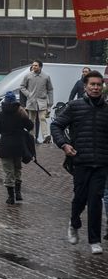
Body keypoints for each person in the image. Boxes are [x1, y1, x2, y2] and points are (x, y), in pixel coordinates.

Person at [50, 70, 108, 254]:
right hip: (80, 161)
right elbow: (56, 125)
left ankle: (95, 240)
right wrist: (64, 145)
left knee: (95, 201)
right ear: (85, 86)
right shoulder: (75, 107)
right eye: (92, 84)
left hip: (101, 163)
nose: (96, 88)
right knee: (80, 199)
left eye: (99, 84)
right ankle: (74, 223)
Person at [0, 92, 32, 205]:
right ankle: (18, 193)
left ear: (5, 101)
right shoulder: (20, 113)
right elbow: (30, 126)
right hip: (18, 146)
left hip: (5, 146)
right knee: (17, 169)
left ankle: (11, 197)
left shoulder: (1, 114)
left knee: (8, 171)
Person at [19, 60, 54, 144]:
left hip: (42, 101)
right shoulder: (28, 76)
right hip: (31, 101)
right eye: (33, 65)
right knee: (31, 120)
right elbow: (22, 86)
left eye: (36, 65)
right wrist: (28, 94)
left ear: (40, 67)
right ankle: (32, 136)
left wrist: (50, 102)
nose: (34, 67)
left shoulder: (46, 76)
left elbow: (50, 89)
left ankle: (45, 136)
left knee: (42, 118)